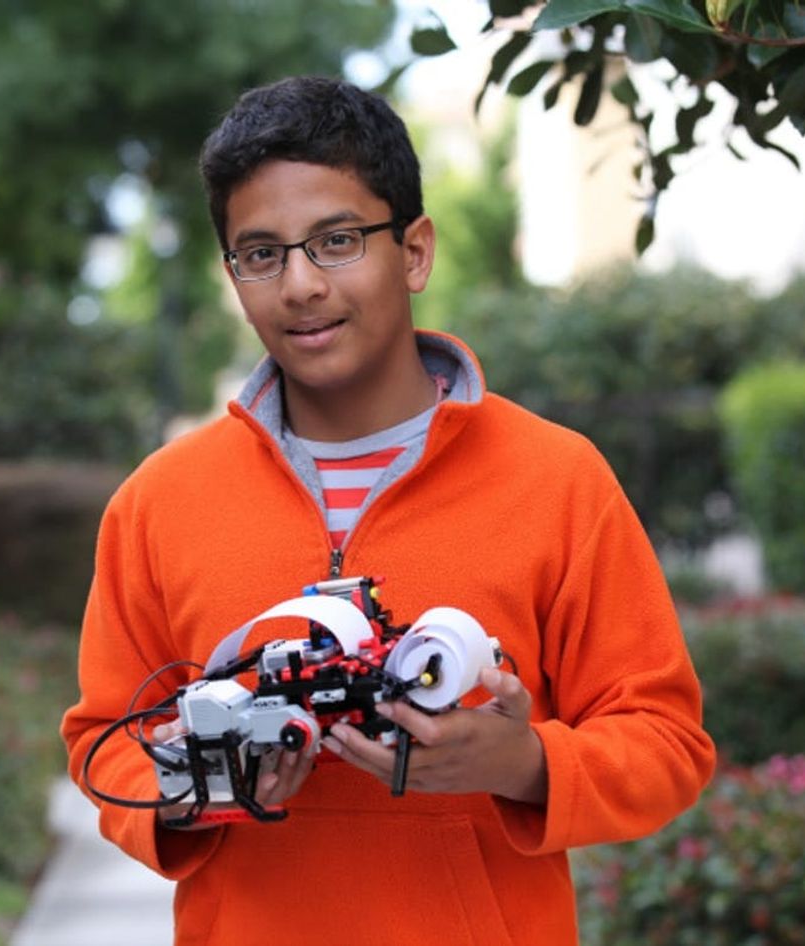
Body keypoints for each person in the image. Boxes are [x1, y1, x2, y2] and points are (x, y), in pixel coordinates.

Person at [62, 75, 715, 946]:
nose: (298, 284)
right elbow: (105, 738)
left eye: (336, 241)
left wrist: (522, 762)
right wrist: (204, 784)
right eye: (261, 253)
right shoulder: (158, 501)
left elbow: (667, 744)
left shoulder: (558, 480)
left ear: (412, 252)